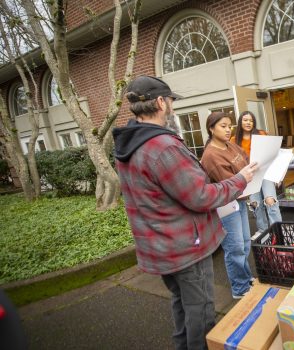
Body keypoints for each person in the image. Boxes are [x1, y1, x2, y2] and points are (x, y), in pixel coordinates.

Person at [113, 75, 257, 350]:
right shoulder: (163, 147)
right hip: (185, 249)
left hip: (161, 248)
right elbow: (201, 196)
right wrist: (241, 179)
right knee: (201, 317)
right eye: (170, 102)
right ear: (159, 102)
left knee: (183, 312)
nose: (173, 108)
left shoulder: (129, 144)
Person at [200, 112, 254, 299]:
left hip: (240, 199)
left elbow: (245, 160)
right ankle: (240, 289)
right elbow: (228, 183)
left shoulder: (230, 145)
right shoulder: (210, 155)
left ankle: (246, 279)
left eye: (229, 125)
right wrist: (246, 176)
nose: (227, 129)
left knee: (245, 243)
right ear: (211, 128)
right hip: (225, 205)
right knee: (235, 248)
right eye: (223, 126)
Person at [231, 111, 282, 232]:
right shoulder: (234, 140)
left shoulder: (261, 134)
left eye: (251, 120)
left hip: (265, 172)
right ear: (240, 122)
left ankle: (279, 231)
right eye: (245, 120)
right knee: (256, 204)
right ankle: (262, 231)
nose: (248, 123)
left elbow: (272, 154)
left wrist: (277, 175)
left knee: (271, 201)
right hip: (250, 176)